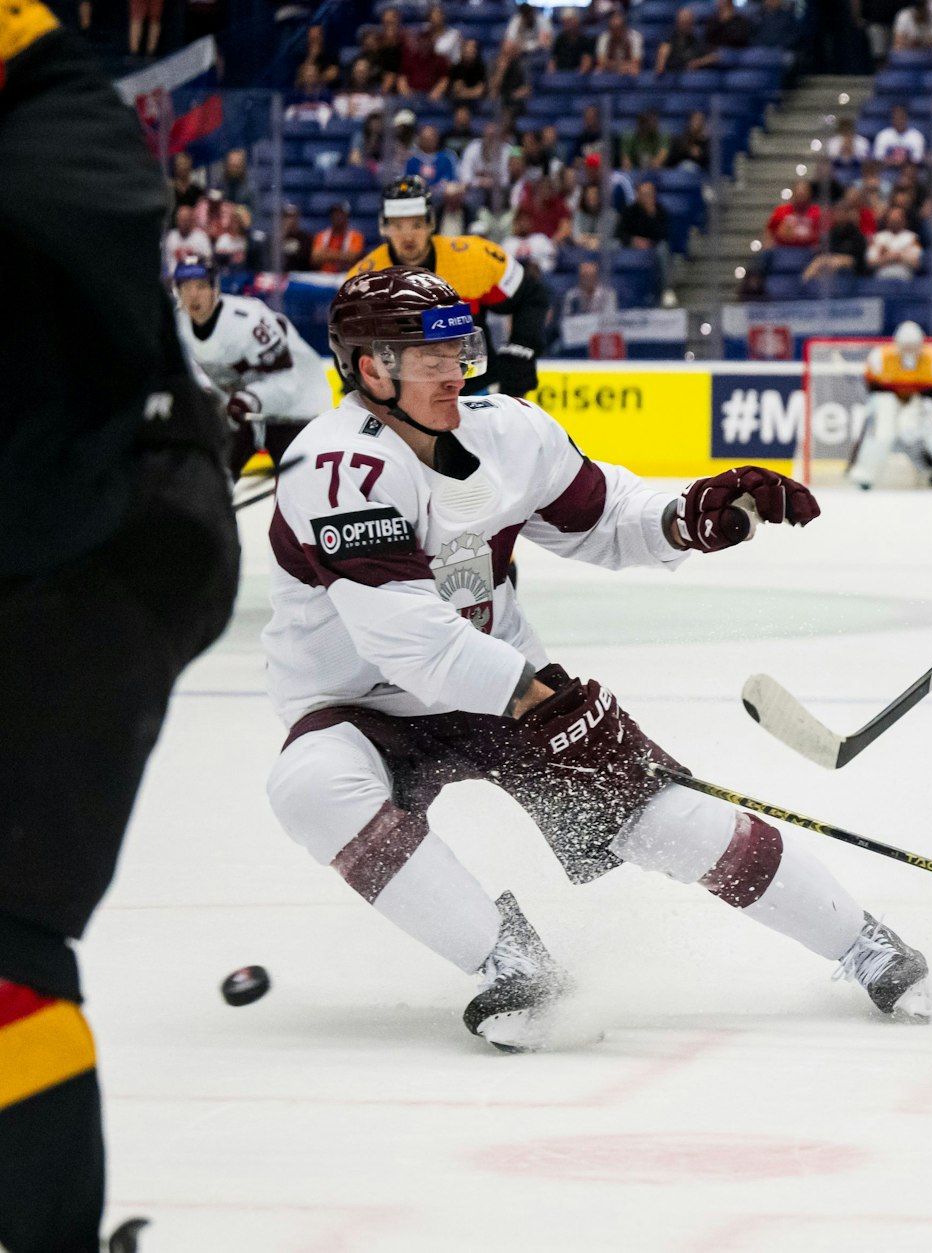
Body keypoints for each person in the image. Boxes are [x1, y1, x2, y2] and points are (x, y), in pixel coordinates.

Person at [267, 268, 932, 1051]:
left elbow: (605, 514)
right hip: (366, 706)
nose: (455, 372)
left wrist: (690, 515)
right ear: (370, 368)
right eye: (430, 358)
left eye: (459, 350)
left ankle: (863, 942)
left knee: (670, 822)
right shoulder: (339, 468)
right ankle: (509, 962)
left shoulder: (508, 431)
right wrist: (535, 695)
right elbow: (408, 640)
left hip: (500, 686)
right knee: (311, 786)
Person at [0, 7, 239, 1248]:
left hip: (114, 541)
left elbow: (105, 210)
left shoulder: (43, 100)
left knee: (4, 931)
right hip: (39, 537)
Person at [348, 175, 549, 396]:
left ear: (431, 223)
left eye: (416, 224)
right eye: (397, 225)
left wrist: (522, 347)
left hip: (473, 395)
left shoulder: (472, 257)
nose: (408, 236)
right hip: (403, 403)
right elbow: (350, 346)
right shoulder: (364, 282)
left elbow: (532, 295)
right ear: (383, 227)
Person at [171, 251, 333, 475]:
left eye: (200, 286)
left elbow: (288, 381)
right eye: (185, 287)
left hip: (295, 408)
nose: (193, 295)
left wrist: (248, 399)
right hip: (240, 412)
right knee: (213, 476)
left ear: (214, 288)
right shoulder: (176, 325)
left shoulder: (249, 320)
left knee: (301, 485)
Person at [850, 322, 932, 491]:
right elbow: (873, 387)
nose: (909, 350)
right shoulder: (880, 358)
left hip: (923, 401)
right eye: (905, 346)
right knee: (882, 428)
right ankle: (865, 473)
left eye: (913, 346)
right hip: (892, 400)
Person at [311, 202, 365, 273]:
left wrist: (327, 253)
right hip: (325, 275)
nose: (337, 217)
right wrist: (342, 255)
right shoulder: (321, 235)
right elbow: (315, 258)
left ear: (346, 216)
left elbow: (352, 258)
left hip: (347, 274)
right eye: (334, 214)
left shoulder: (356, 236)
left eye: (340, 214)